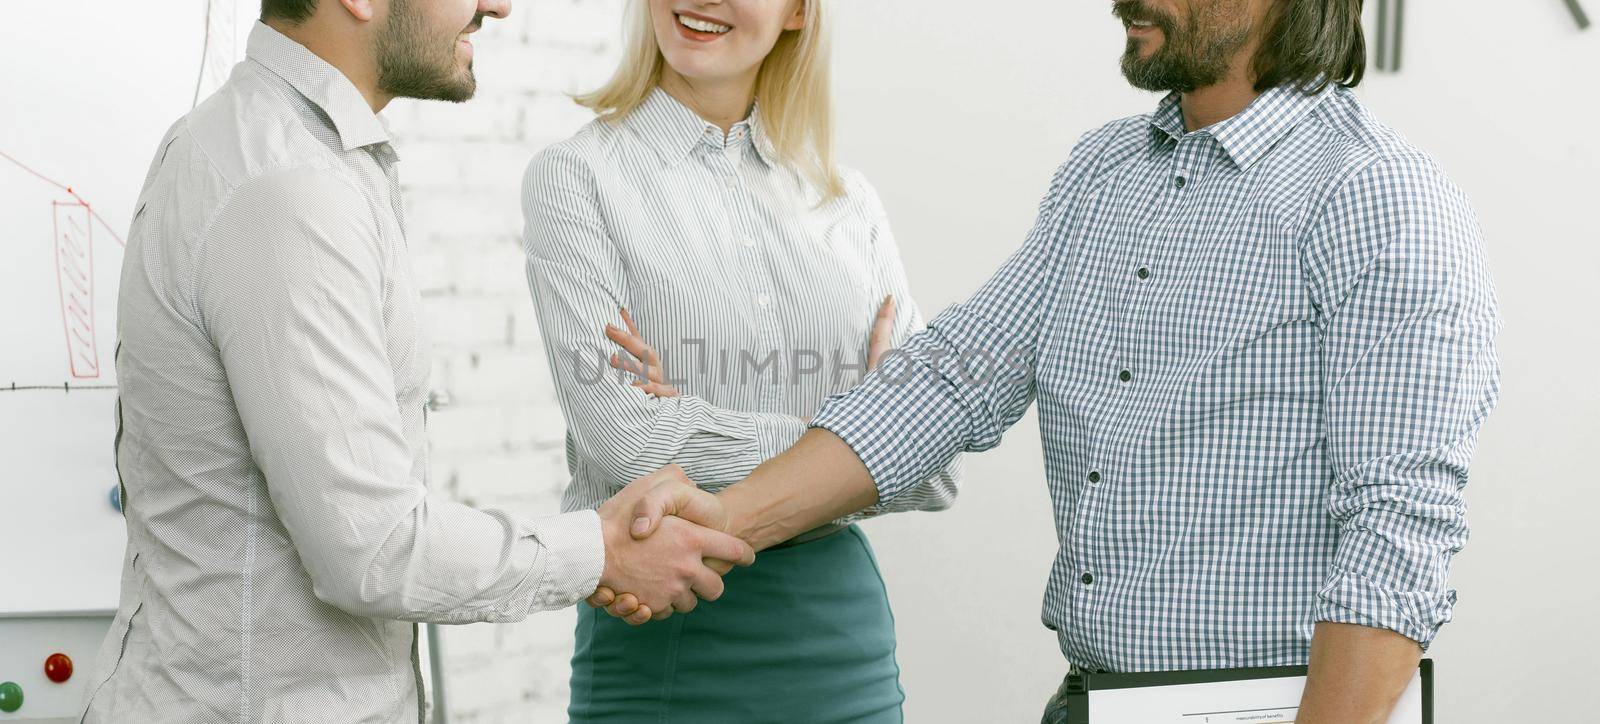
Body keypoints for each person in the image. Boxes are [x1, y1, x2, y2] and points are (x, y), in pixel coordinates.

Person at [613, 0, 1503, 721]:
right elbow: (953, 377)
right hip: (1090, 701)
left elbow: (1397, 533)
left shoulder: (1377, 197)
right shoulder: (1104, 169)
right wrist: (723, 516)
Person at [82, 1, 752, 721]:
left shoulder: (265, 145)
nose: (497, 5)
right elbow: (371, 548)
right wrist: (600, 551)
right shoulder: (289, 186)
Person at [519, 0, 961, 720]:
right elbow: (630, 444)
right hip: (667, 636)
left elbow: (937, 463)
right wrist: (859, 432)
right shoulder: (577, 180)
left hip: (842, 649)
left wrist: (692, 423)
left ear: (796, 12)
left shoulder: (849, 204)